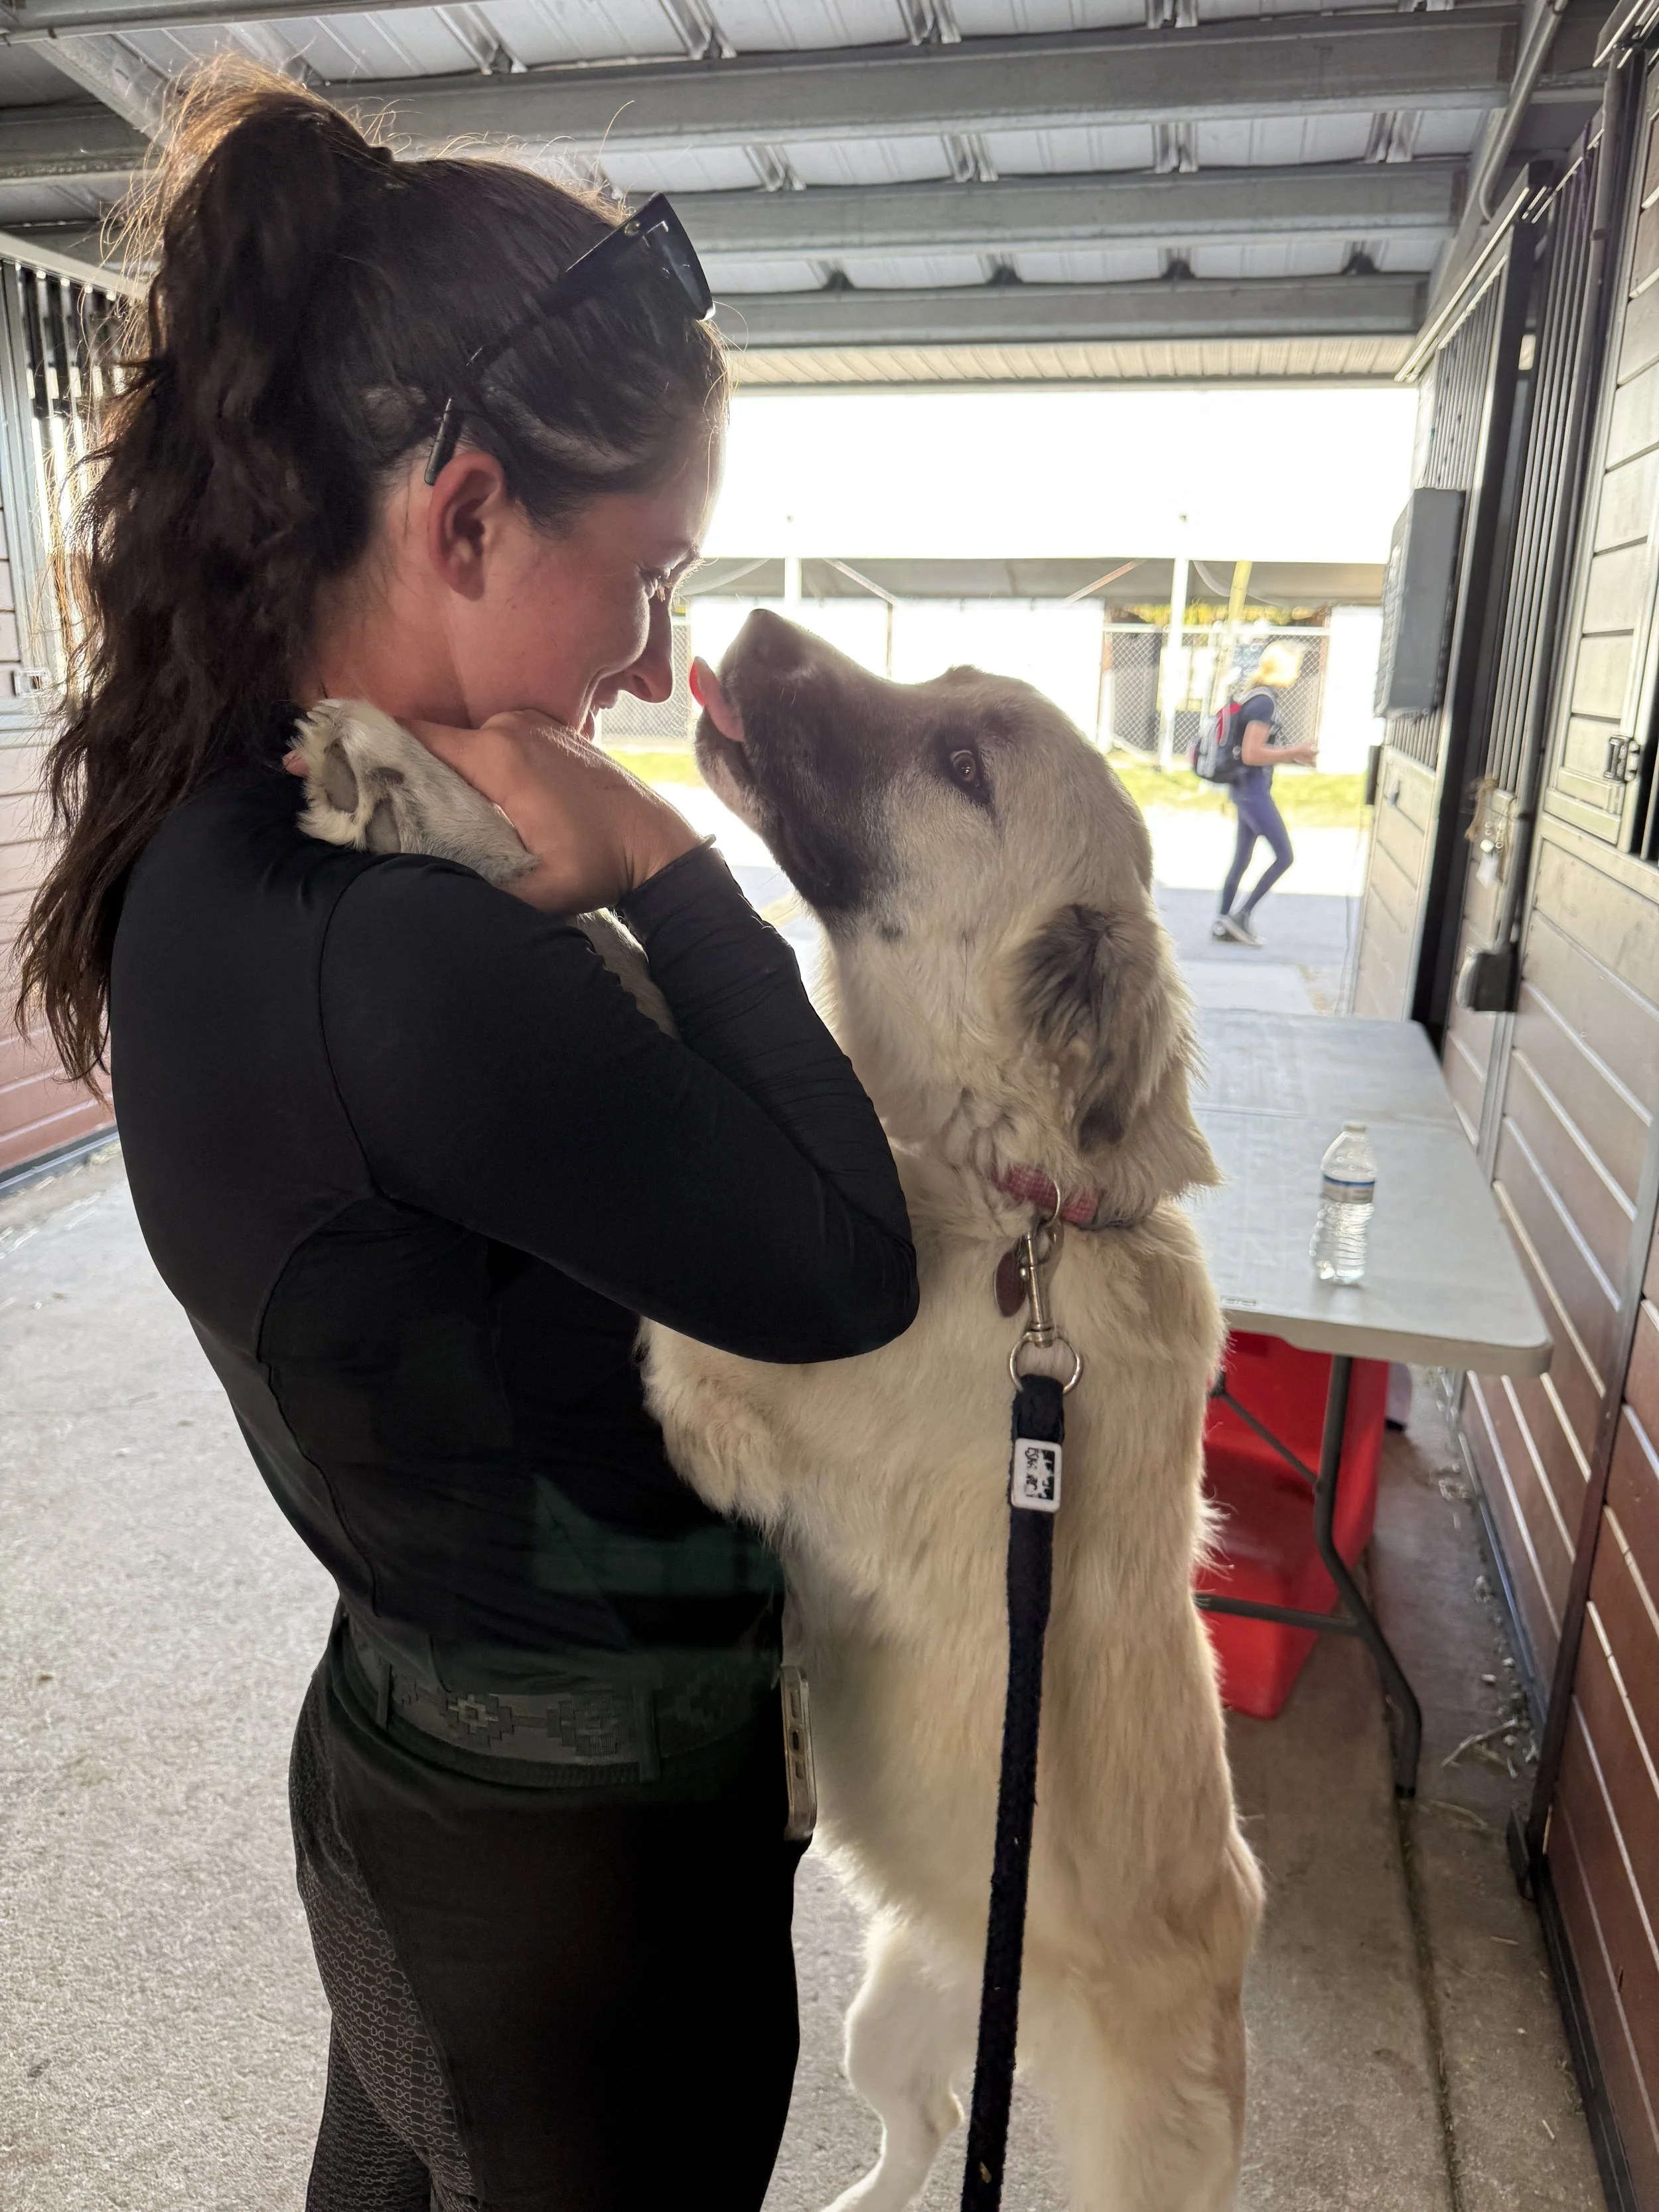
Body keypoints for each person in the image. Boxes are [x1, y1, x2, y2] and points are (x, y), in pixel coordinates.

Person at [16, 68, 918, 2212]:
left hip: (425, 1772)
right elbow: (840, 1257)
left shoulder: (225, 841)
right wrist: (675, 874)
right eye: (652, 573)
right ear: (471, 515)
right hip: (585, 1873)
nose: (659, 654)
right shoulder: (404, 949)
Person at [1212, 639, 1317, 947]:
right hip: (1253, 791)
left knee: (1242, 859)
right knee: (1285, 856)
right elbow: (1251, 753)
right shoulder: (1264, 702)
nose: (1298, 670)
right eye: (1295, 663)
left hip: (1243, 789)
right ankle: (1239, 916)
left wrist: (1291, 755)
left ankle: (1222, 922)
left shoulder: (1253, 695)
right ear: (1285, 667)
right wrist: (1293, 752)